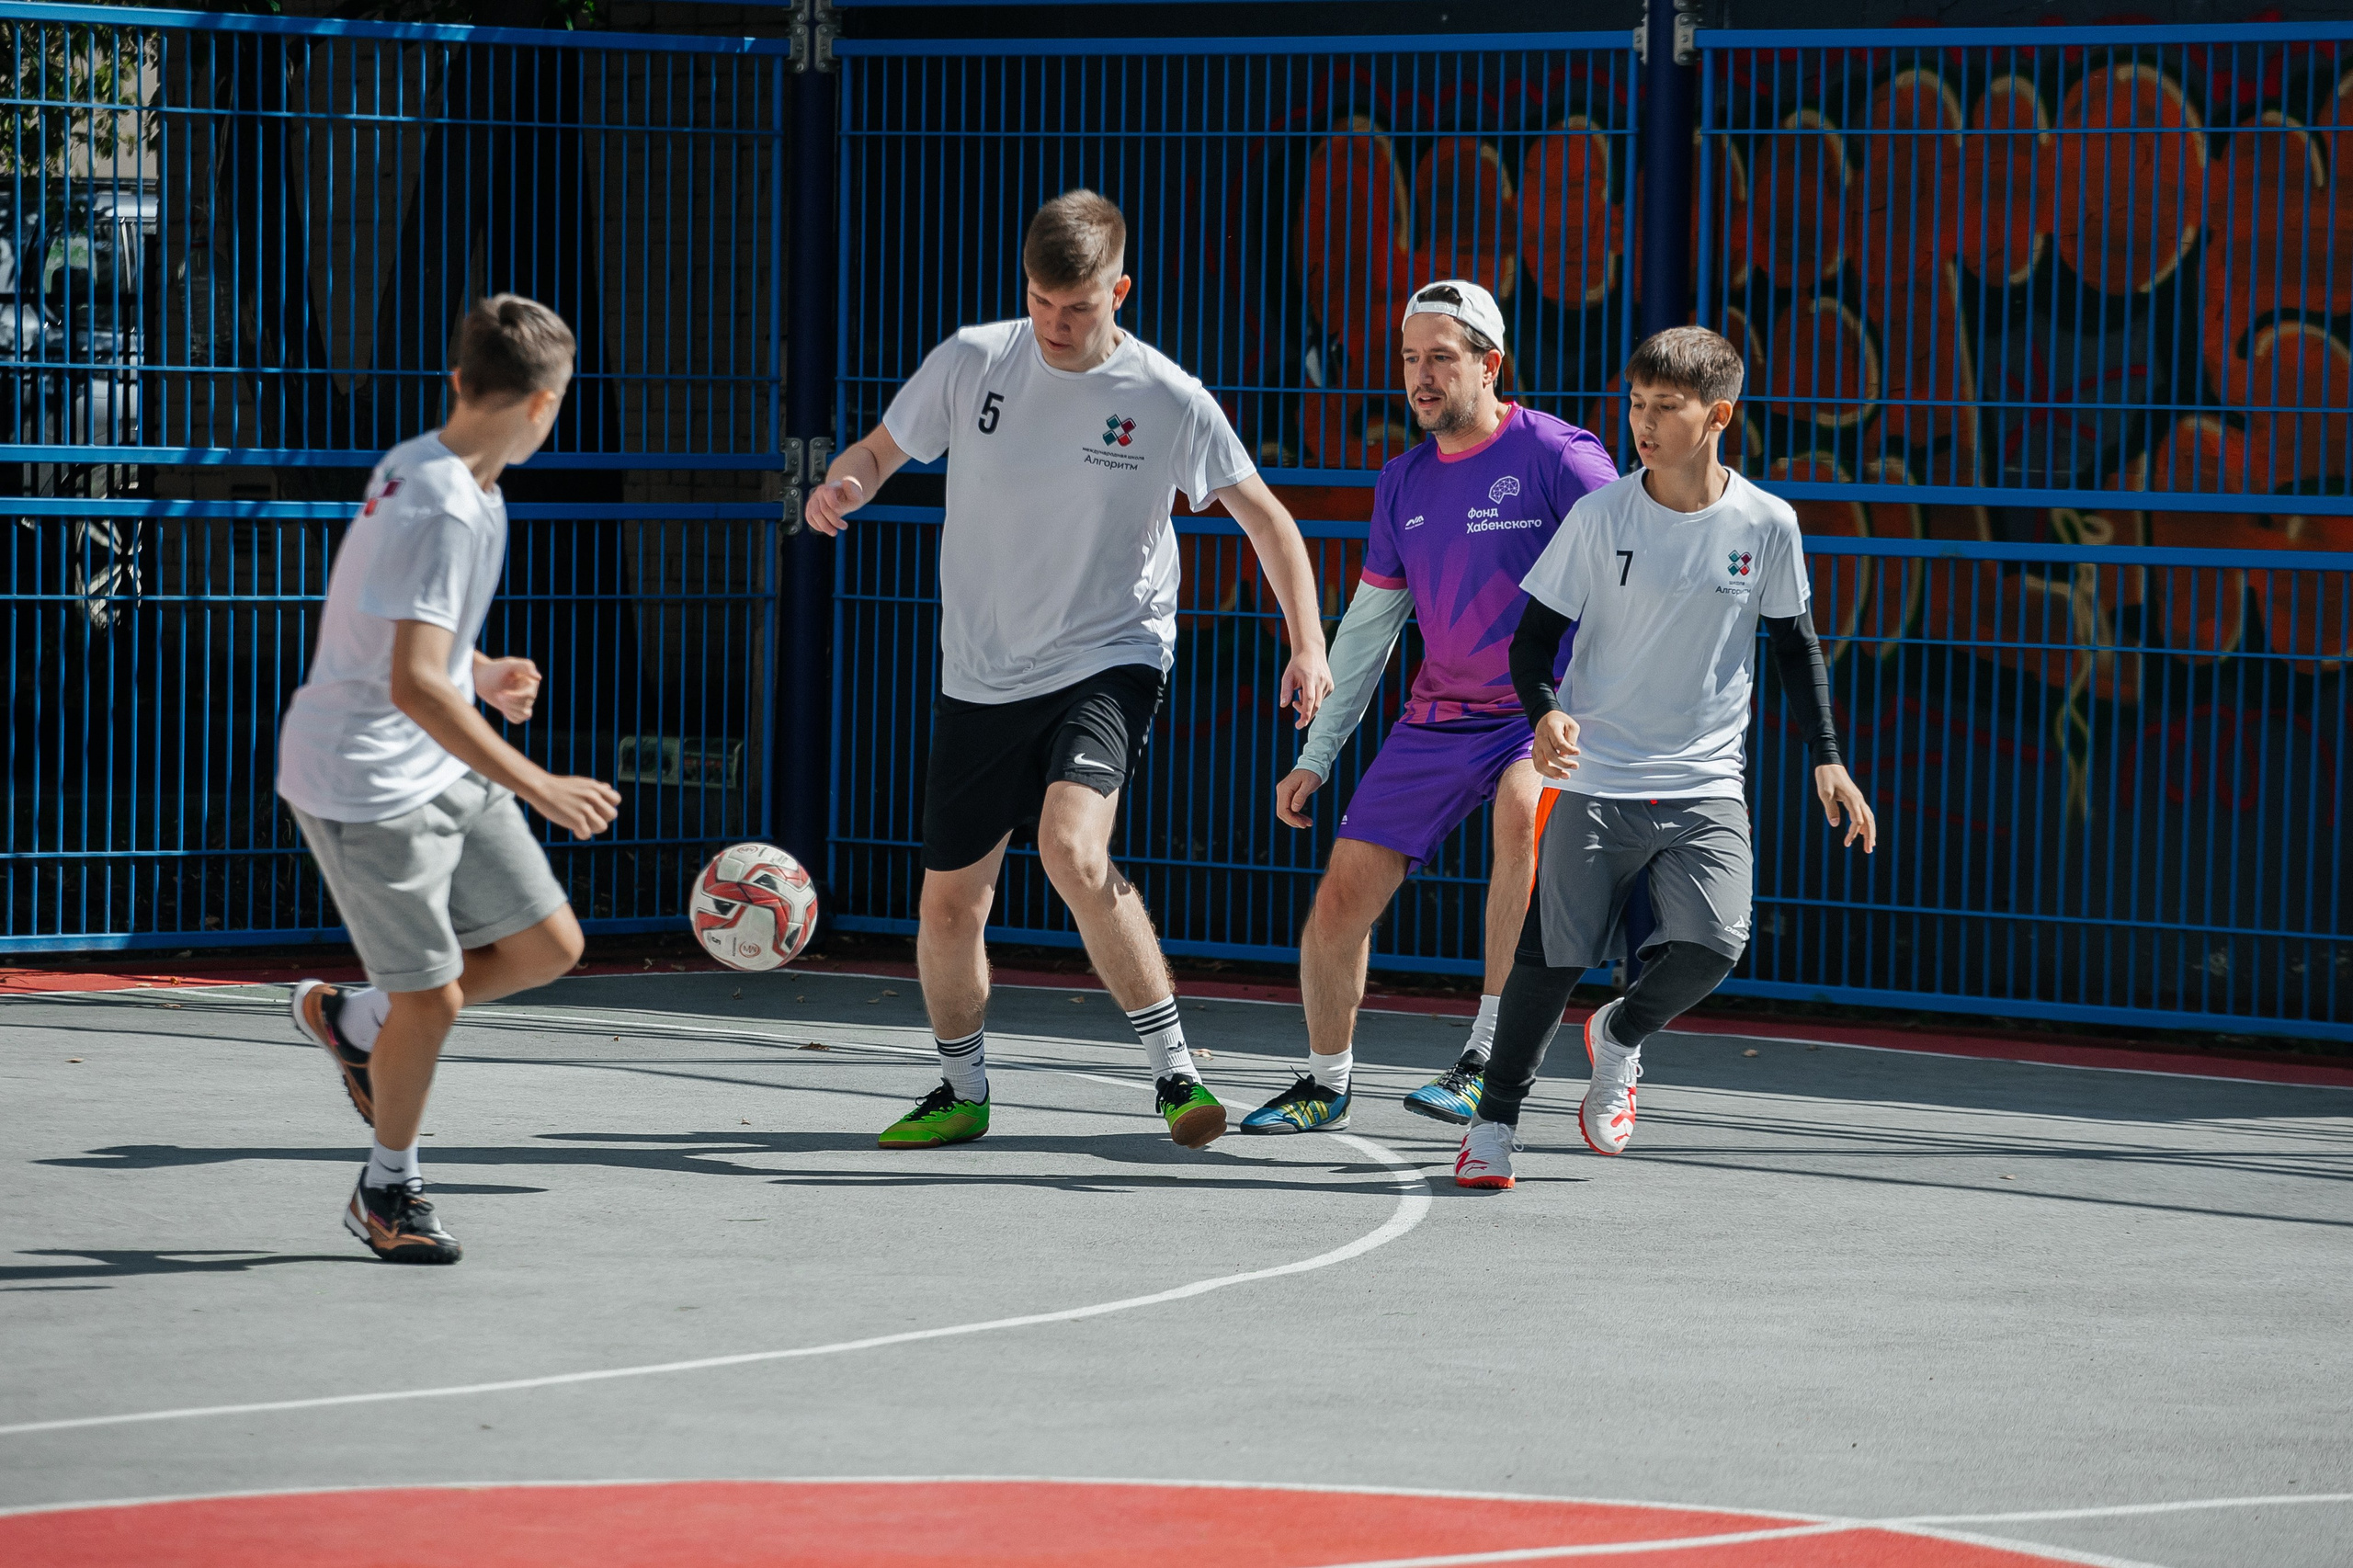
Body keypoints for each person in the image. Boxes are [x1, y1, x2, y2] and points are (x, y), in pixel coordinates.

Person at [803, 189, 1333, 1152]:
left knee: (1070, 848)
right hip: (979, 669)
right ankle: (961, 1090)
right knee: (953, 903)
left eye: (1079, 306)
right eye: (1043, 302)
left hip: (1109, 653)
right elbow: (881, 449)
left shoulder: (1168, 399)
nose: (1057, 323)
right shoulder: (972, 359)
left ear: (1118, 289)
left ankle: (1176, 1073)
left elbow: (1268, 520)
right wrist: (848, 483)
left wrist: (1307, 642)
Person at [1453, 325, 1878, 1189]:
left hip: (1706, 782)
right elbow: (1534, 642)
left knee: (1717, 945)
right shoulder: (1600, 514)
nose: (1643, 424)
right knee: (1550, 960)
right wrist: (1544, 715)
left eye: (1665, 408)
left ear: (1718, 415)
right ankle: (1493, 1126)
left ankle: (1619, 1035)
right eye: (1637, 405)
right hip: (1598, 776)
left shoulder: (1767, 522)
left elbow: (1795, 648)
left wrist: (1827, 757)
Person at [280, 295, 621, 1260]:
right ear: (548, 408)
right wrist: (542, 782)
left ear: (460, 381)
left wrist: (482, 670)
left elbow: (410, 647)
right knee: (432, 997)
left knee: (548, 943)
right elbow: (411, 685)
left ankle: (356, 1021)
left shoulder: (455, 478)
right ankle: (388, 1189)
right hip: (365, 781)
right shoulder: (435, 502)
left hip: (432, 754)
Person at [1243, 280, 1618, 1134]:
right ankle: (1325, 1083)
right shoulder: (1400, 481)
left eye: (1440, 358)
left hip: (1543, 715)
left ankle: (1488, 1058)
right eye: (1410, 359)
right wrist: (1315, 755)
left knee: (1523, 817)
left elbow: (1630, 568)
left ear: (1490, 366)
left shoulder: (1562, 458)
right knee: (1340, 899)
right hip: (1440, 719)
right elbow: (1370, 631)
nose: (1420, 376)